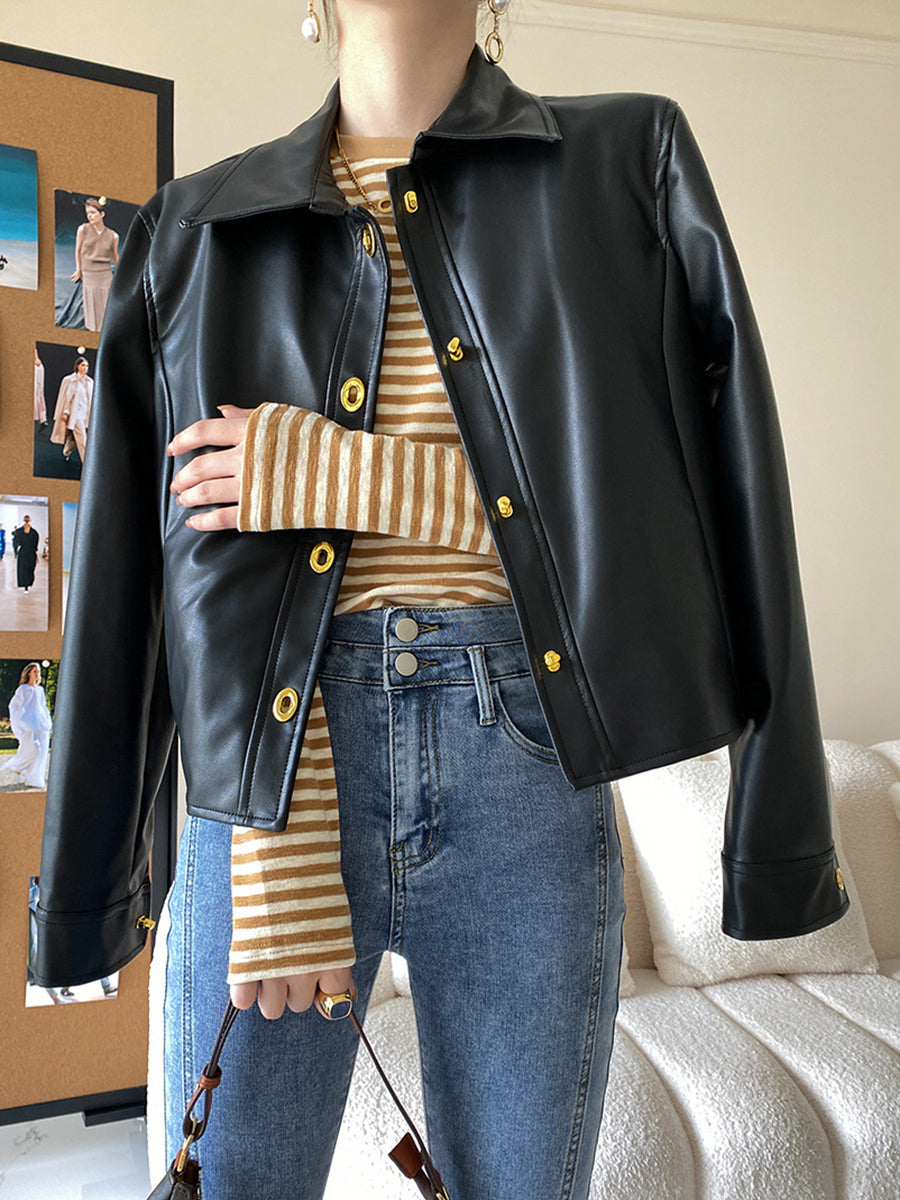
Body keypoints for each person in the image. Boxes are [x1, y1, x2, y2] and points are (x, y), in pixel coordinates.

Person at [32, 2, 850, 1197]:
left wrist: (346, 474)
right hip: (277, 782)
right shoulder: (195, 228)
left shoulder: (626, 166)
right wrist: (234, 848)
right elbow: (138, 581)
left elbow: (682, 520)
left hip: (525, 760)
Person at [70, 196, 119, 331]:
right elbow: (78, 250)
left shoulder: (113, 235)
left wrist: (122, 273)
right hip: (89, 274)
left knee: (106, 306)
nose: (90, 216)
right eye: (88, 213)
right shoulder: (83, 229)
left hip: (105, 275)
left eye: (93, 213)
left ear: (102, 214)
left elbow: (115, 256)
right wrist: (78, 269)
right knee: (91, 307)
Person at [5, 662, 53, 788]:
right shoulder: (23, 689)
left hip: (41, 724)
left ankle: (34, 779)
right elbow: (14, 706)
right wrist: (21, 719)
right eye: (34, 671)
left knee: (42, 753)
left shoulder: (40, 690)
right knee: (34, 749)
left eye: (38, 671)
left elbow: (43, 707)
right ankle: (17, 767)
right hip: (29, 725)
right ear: (29, 673)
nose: (37, 674)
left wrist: (47, 720)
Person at [50, 355, 93, 465]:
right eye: (83, 365)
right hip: (75, 414)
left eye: (87, 366)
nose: (85, 368)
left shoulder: (90, 382)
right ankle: (87, 464)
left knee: (73, 437)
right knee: (83, 439)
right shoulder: (70, 380)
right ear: (77, 366)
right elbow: (67, 398)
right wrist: (66, 411)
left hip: (86, 414)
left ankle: (66, 452)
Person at [12, 515, 40, 592]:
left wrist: (16, 552)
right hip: (31, 552)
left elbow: (15, 542)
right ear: (30, 520)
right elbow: (35, 545)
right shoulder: (34, 533)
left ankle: (25, 586)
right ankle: (28, 584)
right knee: (30, 569)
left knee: (23, 569)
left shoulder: (19, 532)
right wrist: (36, 554)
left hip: (23, 552)